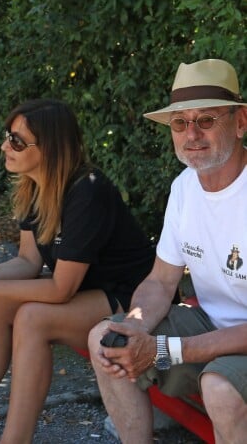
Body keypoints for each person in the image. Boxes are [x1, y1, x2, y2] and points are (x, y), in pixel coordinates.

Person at [0, 98, 156, 444]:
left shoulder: (87, 190)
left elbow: (60, 290)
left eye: (17, 141)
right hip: (90, 292)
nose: (5, 146)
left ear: (51, 147)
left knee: (31, 318)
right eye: (7, 137)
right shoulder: (33, 186)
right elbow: (28, 262)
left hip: (133, 299)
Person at [88, 58, 247, 444]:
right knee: (105, 340)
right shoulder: (184, 188)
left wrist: (165, 348)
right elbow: (161, 281)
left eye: (206, 120)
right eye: (180, 122)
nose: (191, 133)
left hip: (230, 343)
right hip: (209, 329)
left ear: (241, 122)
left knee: (220, 390)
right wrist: (136, 328)